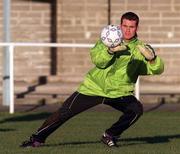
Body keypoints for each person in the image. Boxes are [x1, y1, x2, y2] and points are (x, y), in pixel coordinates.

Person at [20, 12, 164, 148]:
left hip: (118, 92)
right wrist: (110, 51)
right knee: (64, 113)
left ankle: (110, 135)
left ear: (136, 28)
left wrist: (152, 60)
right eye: (125, 26)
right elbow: (98, 61)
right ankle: (36, 139)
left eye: (131, 27)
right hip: (93, 88)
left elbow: (156, 70)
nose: (127, 30)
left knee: (136, 110)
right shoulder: (106, 39)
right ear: (120, 26)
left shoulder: (141, 49)